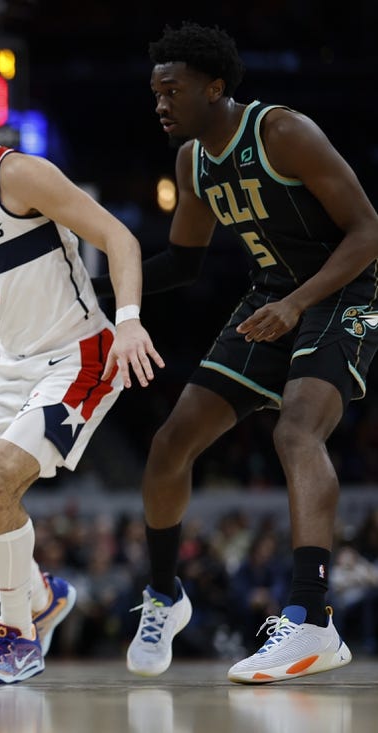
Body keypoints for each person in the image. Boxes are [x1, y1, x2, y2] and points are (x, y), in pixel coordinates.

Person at [118, 21, 378, 683]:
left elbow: (368, 231)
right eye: (155, 93)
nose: (161, 104)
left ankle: (312, 616)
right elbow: (182, 261)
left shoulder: (281, 132)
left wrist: (297, 303)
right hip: (272, 295)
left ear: (215, 86)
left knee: (297, 428)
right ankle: (164, 593)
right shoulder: (191, 162)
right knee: (170, 442)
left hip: (345, 285)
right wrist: (96, 288)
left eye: (172, 90)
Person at [0, 60, 163, 684]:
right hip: (10, 367)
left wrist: (129, 320)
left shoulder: (20, 174)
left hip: (77, 354)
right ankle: (44, 598)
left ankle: (17, 636)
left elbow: (119, 239)